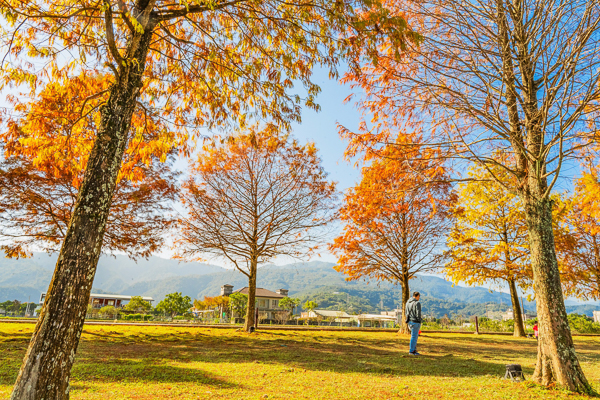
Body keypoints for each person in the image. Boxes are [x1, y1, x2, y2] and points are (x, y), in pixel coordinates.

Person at [405, 291, 422, 355]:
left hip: (410, 322)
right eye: (419, 297)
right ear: (417, 296)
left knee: (413, 336)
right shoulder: (417, 303)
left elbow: (406, 312)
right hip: (415, 322)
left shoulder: (408, 302)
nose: (419, 298)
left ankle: (413, 350)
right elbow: (418, 313)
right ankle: (412, 351)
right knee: (414, 337)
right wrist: (419, 320)